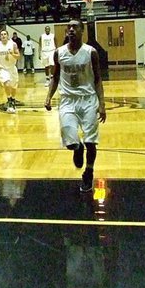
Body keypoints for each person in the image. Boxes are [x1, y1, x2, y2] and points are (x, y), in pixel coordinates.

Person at [44, 20, 106, 193]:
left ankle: (89, 172)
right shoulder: (59, 53)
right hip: (67, 100)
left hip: (88, 99)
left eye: (75, 27)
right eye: (68, 27)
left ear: (82, 31)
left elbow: (98, 79)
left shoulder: (90, 52)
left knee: (91, 141)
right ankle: (77, 148)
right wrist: (48, 96)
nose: (71, 30)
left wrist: (102, 104)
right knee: (71, 142)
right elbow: (55, 77)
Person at [0, 29, 20, 113]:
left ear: (7, 36)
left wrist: (12, 54)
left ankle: (13, 99)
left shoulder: (13, 44)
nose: (3, 36)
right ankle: (9, 100)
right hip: (2, 68)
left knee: (14, 87)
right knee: (6, 83)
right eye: (1, 34)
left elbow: (18, 56)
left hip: (12, 67)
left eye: (5, 34)